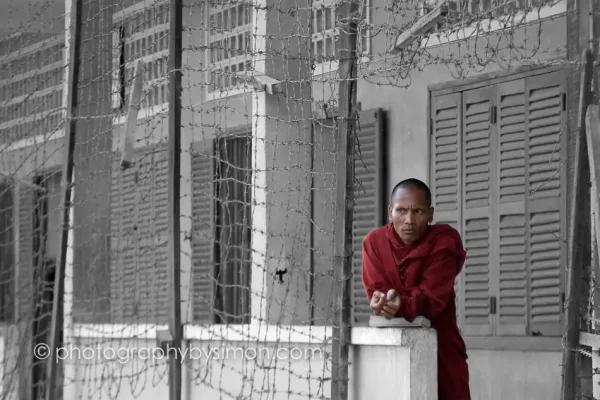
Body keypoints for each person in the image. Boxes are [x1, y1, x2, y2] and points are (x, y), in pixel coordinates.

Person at [361, 178, 471, 400]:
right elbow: (377, 291)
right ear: (390, 212)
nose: (409, 220)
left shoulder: (444, 241)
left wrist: (402, 304)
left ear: (430, 214)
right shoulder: (374, 243)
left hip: (442, 347)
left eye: (418, 211)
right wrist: (381, 303)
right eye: (401, 211)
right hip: (391, 349)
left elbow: (433, 297)